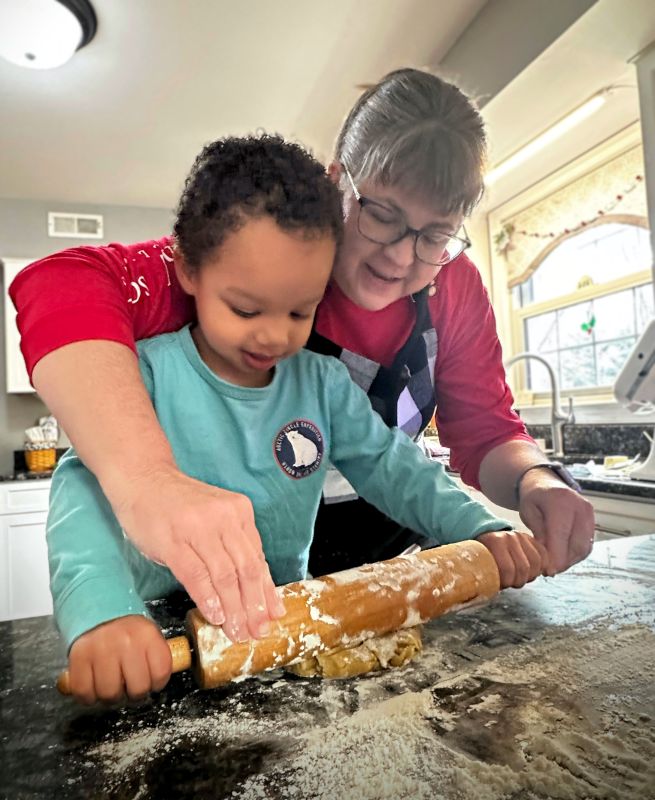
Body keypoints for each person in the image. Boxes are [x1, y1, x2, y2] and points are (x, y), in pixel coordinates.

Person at [11, 68, 595, 645]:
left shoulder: (448, 289)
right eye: (382, 216)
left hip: (381, 569)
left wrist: (531, 485)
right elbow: (61, 284)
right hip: (214, 595)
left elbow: (446, 444)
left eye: (435, 235)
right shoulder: (251, 256)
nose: (400, 256)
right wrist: (146, 482)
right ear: (339, 181)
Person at [48, 134, 543, 704]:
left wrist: (476, 526)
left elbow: (394, 465)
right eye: (244, 308)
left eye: (300, 311)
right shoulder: (147, 375)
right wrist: (103, 611)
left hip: (280, 627)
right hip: (151, 637)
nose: (273, 334)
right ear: (188, 270)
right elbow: (80, 487)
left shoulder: (322, 384)